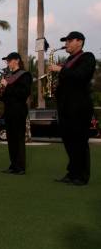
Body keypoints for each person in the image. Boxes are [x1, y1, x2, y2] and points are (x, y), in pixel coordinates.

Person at [49, 31, 96, 186]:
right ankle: (72, 173)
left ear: (79, 42)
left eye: (69, 41)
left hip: (80, 107)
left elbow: (81, 75)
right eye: (66, 41)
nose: (66, 44)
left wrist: (61, 70)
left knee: (80, 141)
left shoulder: (87, 57)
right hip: (65, 107)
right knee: (69, 141)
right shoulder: (69, 60)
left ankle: (82, 176)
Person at [0, 52, 32, 175]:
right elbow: (6, 96)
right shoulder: (8, 75)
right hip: (8, 111)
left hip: (19, 110)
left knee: (18, 138)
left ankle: (20, 167)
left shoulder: (25, 75)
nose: (7, 63)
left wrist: (8, 86)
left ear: (17, 60)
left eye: (9, 60)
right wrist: (1, 92)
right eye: (6, 61)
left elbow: (24, 93)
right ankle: (13, 165)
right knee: (11, 139)